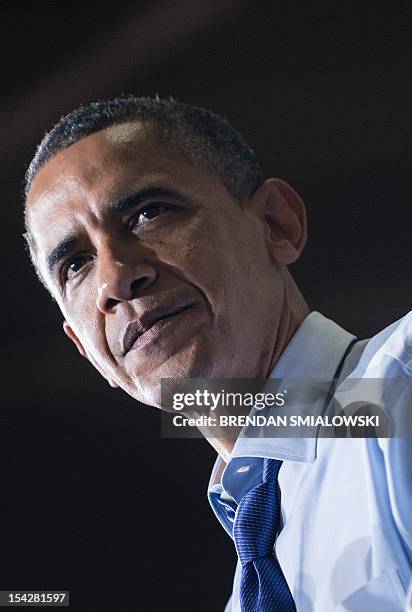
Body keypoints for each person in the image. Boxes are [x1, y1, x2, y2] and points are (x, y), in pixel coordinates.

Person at [23, 96, 411, 611]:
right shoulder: (248, 586)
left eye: (148, 212)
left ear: (276, 224)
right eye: (75, 264)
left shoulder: (399, 389)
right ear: (86, 351)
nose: (115, 279)